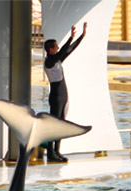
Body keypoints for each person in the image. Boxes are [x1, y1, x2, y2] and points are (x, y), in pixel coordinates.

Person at [43, 22, 87, 162]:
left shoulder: (56, 60)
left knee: (61, 124)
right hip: (56, 96)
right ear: (50, 49)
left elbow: (69, 50)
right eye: (55, 46)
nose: (58, 48)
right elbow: (63, 51)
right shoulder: (49, 61)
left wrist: (81, 36)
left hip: (62, 96)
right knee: (54, 125)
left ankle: (57, 151)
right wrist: (70, 37)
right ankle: (50, 153)